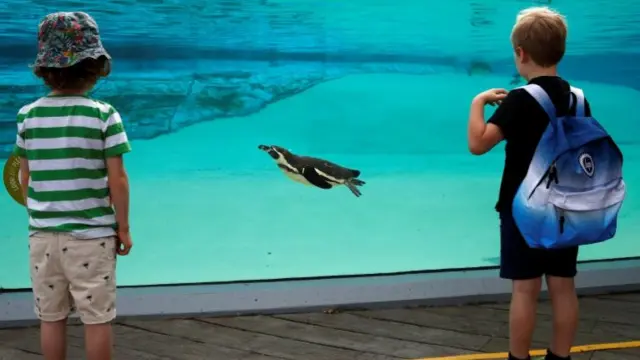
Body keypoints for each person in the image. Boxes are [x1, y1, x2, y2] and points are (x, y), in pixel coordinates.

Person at [466, 7, 584, 360]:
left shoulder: (520, 99)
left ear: (520, 53)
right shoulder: (577, 97)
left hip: (522, 210)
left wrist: (478, 103)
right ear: (560, 51)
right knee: (564, 287)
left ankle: (519, 358)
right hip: (567, 208)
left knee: (525, 290)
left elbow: (479, 144)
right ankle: (560, 355)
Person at [13, 11, 133, 360]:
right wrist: (122, 227)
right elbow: (118, 179)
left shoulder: (27, 115)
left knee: (50, 317)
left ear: (45, 68)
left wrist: (39, 210)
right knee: (97, 318)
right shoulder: (104, 114)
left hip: (42, 237)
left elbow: (24, 174)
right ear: (96, 65)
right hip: (91, 237)